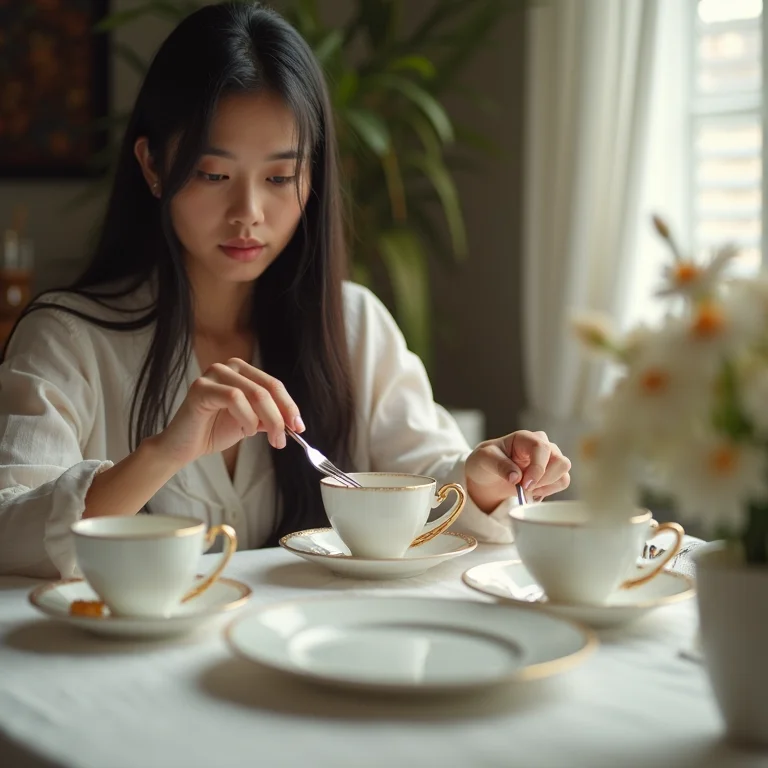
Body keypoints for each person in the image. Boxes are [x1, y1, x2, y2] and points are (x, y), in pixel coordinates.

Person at [0, 2, 570, 578]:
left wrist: (482, 479)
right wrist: (164, 452)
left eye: (279, 178)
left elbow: (430, 488)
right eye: (213, 174)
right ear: (152, 165)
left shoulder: (352, 325)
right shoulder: (68, 339)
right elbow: (11, 533)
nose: (248, 213)